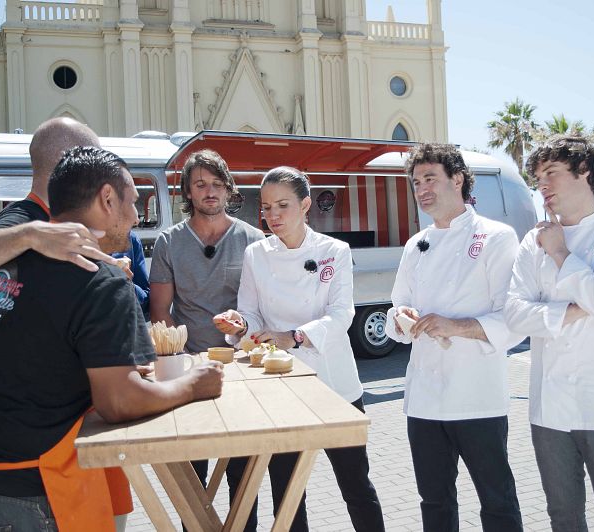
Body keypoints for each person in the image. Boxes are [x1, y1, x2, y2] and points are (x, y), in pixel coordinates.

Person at [0, 146, 224, 531]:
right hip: (32, 487)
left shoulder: (3, 256)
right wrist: (192, 384)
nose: (136, 217)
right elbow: (119, 402)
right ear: (107, 199)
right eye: (131, 202)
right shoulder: (101, 278)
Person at [214, 166, 385, 532]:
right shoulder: (256, 254)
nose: (273, 216)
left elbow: (341, 315)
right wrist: (240, 325)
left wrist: (292, 336)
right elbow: (251, 314)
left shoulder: (334, 251)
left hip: (334, 386)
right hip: (282, 389)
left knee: (355, 485)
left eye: (283, 206)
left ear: (306, 205)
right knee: (288, 493)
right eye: (266, 207)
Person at [504, 135, 594, 532]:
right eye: (537, 177)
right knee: (563, 518)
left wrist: (562, 255)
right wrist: (573, 308)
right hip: (549, 406)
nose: (542, 185)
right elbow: (515, 315)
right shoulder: (531, 243)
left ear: (584, 171)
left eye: (551, 173)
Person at [384, 143, 523, 532]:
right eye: (416, 182)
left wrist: (454, 326)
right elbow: (398, 309)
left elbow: (511, 318)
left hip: (477, 397)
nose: (422, 188)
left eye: (430, 178)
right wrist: (402, 318)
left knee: (497, 500)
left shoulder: (497, 237)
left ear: (458, 179)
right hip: (425, 400)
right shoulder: (417, 244)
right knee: (435, 501)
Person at [148, 149, 264, 527]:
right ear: (188, 191)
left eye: (217, 184)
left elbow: (263, 306)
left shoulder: (252, 238)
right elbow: (161, 311)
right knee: (192, 473)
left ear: (228, 189)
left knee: (242, 469)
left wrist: (242, 330)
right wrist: (178, 361)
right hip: (189, 369)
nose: (209, 191)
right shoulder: (169, 242)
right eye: (200, 184)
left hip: (241, 368)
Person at [0, 117, 114, 282]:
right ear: (66, 161)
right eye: (92, 160)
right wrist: (30, 234)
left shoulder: (48, 220)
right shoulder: (22, 217)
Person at [112, 233, 150, 320]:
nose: (137, 220)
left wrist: (128, 284)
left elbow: (146, 304)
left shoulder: (132, 240)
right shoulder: (77, 242)